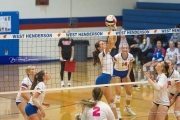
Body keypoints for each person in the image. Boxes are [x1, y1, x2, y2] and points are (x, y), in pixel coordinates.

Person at [92, 25, 119, 119]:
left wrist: (115, 30)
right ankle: (84, 115)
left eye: (104, 43)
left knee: (111, 101)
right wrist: (111, 30)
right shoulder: (102, 54)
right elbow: (110, 42)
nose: (104, 44)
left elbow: (114, 41)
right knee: (95, 101)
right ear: (99, 48)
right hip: (103, 79)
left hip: (107, 79)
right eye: (102, 44)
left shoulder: (107, 52)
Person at [113, 43, 136, 118]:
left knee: (129, 92)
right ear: (121, 49)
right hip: (117, 73)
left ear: (128, 49)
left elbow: (131, 65)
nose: (125, 49)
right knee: (118, 92)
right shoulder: (117, 56)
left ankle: (127, 108)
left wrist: (128, 75)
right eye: (124, 48)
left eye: (126, 48)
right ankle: (118, 111)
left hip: (125, 73)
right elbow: (111, 63)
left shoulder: (130, 56)